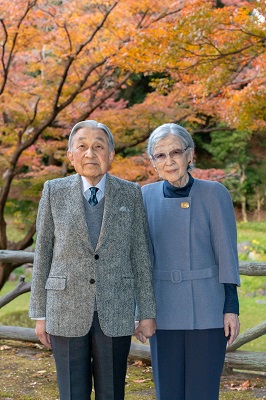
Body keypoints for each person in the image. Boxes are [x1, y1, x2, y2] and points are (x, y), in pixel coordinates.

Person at [29, 120, 156, 400]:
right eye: (82, 146)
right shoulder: (53, 191)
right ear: (71, 155)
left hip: (116, 306)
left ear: (110, 155)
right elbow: (43, 252)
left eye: (99, 146)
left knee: (112, 392)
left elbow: (140, 255)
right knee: (72, 392)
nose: (90, 153)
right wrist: (40, 314)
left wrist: (146, 311)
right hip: (65, 307)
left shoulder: (130, 193)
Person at [141, 123, 240, 400]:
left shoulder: (215, 193)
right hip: (163, 310)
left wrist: (230, 307)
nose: (169, 161)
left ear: (190, 155)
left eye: (175, 152)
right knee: (168, 392)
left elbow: (227, 255)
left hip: (209, 309)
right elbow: (141, 259)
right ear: (152, 162)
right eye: (160, 155)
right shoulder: (144, 196)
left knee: (203, 392)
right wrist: (142, 309)